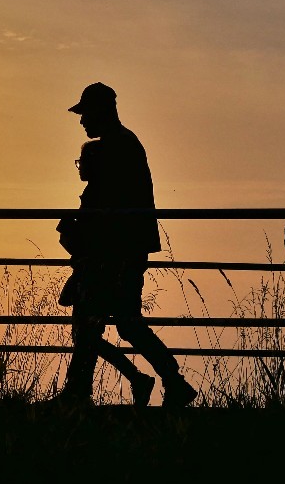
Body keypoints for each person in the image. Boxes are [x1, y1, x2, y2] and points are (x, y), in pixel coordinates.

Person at [53, 82, 198, 408]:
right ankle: (172, 381)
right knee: (122, 323)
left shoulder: (116, 149)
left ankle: (79, 393)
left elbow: (103, 210)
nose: (82, 122)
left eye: (85, 114)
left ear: (100, 112)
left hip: (115, 252)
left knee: (96, 322)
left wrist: (79, 236)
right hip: (122, 249)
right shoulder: (123, 145)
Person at [56, 140, 156, 406]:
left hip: (94, 272)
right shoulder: (104, 193)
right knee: (87, 335)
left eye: (82, 162)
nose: (79, 168)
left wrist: (67, 231)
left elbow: (89, 239)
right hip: (99, 269)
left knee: (85, 333)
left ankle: (129, 379)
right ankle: (81, 390)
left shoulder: (96, 196)